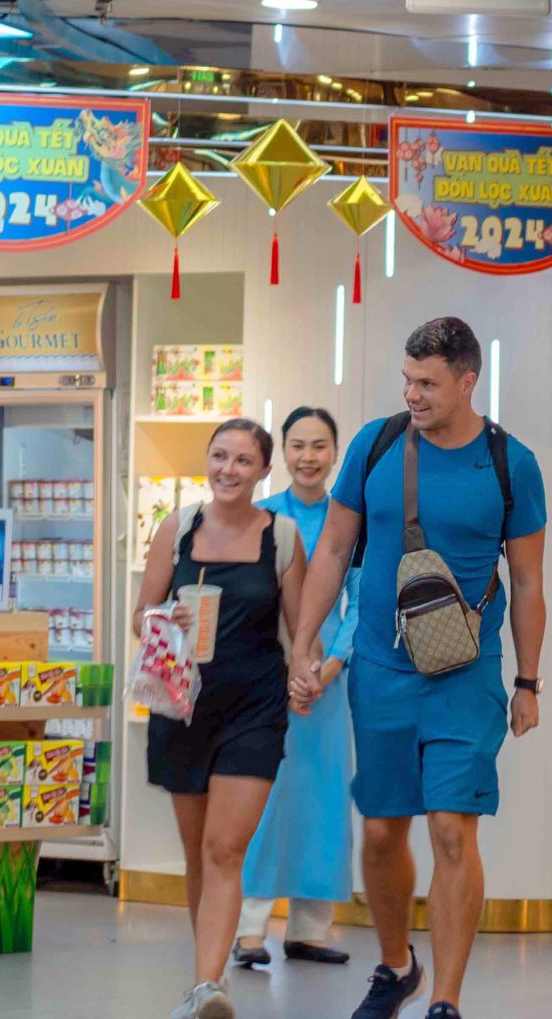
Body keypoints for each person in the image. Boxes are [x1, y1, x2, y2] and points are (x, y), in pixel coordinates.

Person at [288, 317, 548, 1019]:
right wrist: (305, 643)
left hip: (465, 674)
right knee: (381, 830)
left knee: (452, 828)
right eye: (407, 380)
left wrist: (527, 682)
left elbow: (527, 580)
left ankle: (445, 1001)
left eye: (428, 383)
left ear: (468, 382)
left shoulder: (510, 463)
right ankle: (397, 965)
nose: (413, 394)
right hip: (380, 668)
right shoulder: (374, 445)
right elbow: (333, 550)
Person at [133, 419, 310, 1019]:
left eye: (242, 460)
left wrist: (307, 674)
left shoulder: (281, 536)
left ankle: (208, 986)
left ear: (263, 470)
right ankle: (204, 979)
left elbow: (301, 632)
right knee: (198, 854)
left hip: (255, 708)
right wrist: (164, 619)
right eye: (219, 456)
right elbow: (141, 615)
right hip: (181, 705)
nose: (228, 469)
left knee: (225, 848)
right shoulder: (176, 529)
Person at [234, 405, 359, 969]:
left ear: (335, 454)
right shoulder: (260, 519)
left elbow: (362, 604)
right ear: (281, 453)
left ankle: (310, 929)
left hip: (325, 689)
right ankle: (248, 929)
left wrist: (327, 667)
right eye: (298, 445)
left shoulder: (351, 521)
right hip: (266, 681)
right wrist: (284, 668)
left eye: (320, 446)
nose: (308, 457)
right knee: (260, 800)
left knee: (323, 800)